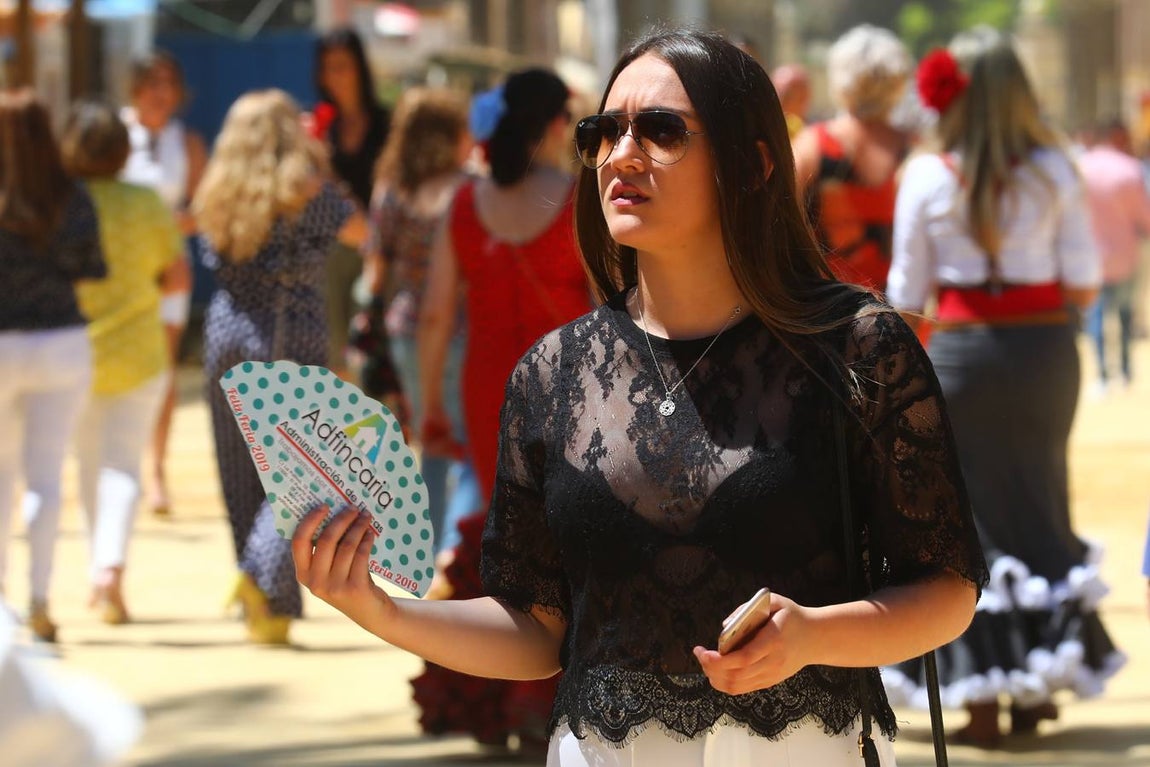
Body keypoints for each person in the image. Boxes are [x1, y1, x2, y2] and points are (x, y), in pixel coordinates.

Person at [293, 29, 987, 766]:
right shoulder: (551, 375)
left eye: (661, 131)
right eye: (603, 132)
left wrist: (814, 634)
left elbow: (946, 589)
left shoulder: (856, 346)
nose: (622, 154)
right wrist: (378, 608)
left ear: (751, 163)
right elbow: (536, 632)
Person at [885, 30, 1122, 747]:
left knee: (969, 512)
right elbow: (1083, 279)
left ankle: (981, 696)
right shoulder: (1055, 170)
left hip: (961, 356)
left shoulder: (927, 176)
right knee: (1039, 497)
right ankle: (1029, 686)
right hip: (1045, 351)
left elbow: (905, 291)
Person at [409, 67, 590, 752]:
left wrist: (429, 402)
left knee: (500, 528)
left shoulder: (464, 205)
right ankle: (542, 692)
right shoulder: (578, 201)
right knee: (564, 529)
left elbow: (433, 315)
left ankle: (490, 688)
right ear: (554, 125)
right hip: (570, 383)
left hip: (488, 385)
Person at [193, 89, 364, 645]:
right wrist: (324, 166)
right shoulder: (309, 192)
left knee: (241, 472)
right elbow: (361, 231)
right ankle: (255, 576)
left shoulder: (218, 192)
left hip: (226, 332)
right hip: (290, 334)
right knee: (300, 479)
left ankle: (267, 610)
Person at [61, 102, 187, 625]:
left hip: (74, 350)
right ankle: (110, 566)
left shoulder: (61, 205)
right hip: (141, 351)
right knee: (122, 464)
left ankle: (100, 566)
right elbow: (176, 279)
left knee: (88, 463)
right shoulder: (146, 203)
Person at [0, 89, 106, 642]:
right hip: (61, 343)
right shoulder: (71, 196)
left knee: (2, 476)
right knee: (44, 477)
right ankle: (40, 598)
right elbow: (92, 266)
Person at [361, 87, 479, 557]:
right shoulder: (470, 188)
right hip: (466, 327)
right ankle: (457, 549)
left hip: (407, 328)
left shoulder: (391, 189)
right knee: (468, 442)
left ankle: (427, 549)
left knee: (430, 440)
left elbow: (375, 270)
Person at [120, 50, 207, 519]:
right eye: (153, 82)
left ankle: (156, 469)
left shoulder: (187, 141)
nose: (162, 91)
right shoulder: (115, 133)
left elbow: (204, 208)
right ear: (136, 88)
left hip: (171, 265)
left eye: (168, 82)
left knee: (164, 368)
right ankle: (122, 465)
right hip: (123, 271)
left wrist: (170, 230)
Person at [793, 25, 913, 294]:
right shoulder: (915, 149)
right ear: (898, 80)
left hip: (829, 308)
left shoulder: (813, 145)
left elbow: (777, 222)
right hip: (903, 312)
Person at [313, 27, 390, 378]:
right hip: (333, 254)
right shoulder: (320, 128)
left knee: (375, 356)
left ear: (360, 67)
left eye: (343, 65)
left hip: (379, 253)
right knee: (337, 359)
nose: (335, 75)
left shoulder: (387, 123)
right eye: (328, 66)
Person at [1077, 120, 1150, 394]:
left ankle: (1104, 376)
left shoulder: (1081, 167)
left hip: (1092, 257)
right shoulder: (1129, 169)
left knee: (1097, 317)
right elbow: (1145, 215)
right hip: (1125, 255)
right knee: (1125, 314)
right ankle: (1126, 371)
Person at [770, 63, 811, 139]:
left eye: (787, 94)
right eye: (775, 91)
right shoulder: (765, 128)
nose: (778, 97)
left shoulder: (811, 133)